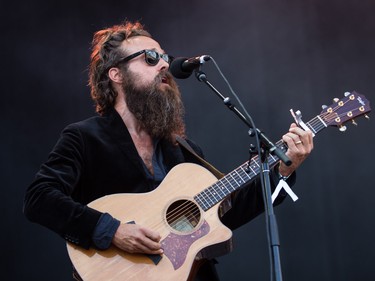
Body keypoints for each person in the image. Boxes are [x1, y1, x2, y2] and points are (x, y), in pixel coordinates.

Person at [23, 21, 313, 281]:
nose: (164, 65)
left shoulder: (183, 150)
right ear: (116, 74)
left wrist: (283, 170)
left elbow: (228, 215)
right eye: (150, 58)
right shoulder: (85, 138)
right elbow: (40, 198)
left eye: (164, 57)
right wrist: (113, 230)